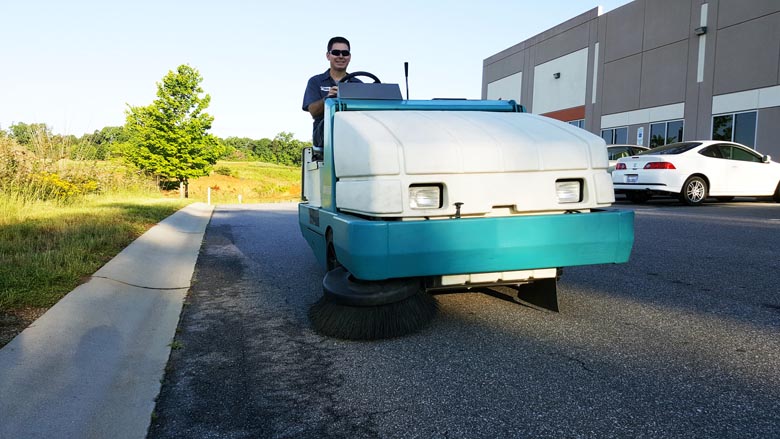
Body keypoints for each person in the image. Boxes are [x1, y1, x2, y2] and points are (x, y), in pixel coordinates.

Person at [302, 36, 362, 146]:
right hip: (324, 135)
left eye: (345, 53)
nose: (340, 56)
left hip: (354, 133)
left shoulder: (359, 84)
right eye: (336, 52)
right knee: (333, 122)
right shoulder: (315, 81)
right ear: (328, 56)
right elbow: (313, 111)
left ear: (349, 57)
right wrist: (328, 99)